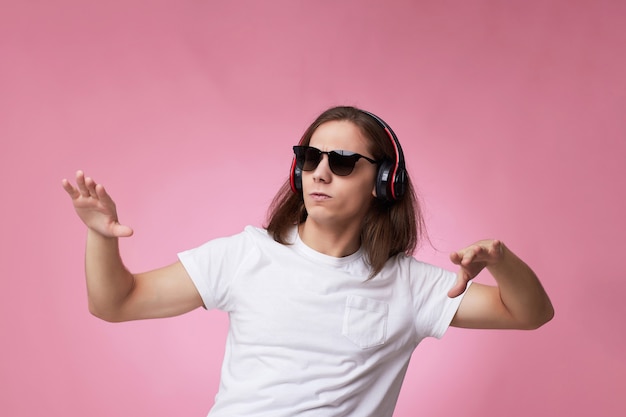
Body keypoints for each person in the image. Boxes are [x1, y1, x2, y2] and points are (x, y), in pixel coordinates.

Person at [62, 106, 554, 417]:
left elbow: (530, 313)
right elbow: (115, 303)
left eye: (341, 162)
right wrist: (99, 237)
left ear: (384, 183)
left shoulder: (411, 287)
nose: (319, 172)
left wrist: (501, 259)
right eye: (308, 157)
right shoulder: (243, 255)